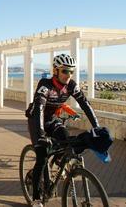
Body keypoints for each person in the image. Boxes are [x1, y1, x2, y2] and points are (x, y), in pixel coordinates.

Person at [25, 54, 106, 207]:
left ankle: (58, 166)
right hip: (37, 120)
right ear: (55, 71)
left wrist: (97, 127)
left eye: (71, 72)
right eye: (65, 71)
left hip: (52, 120)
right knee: (42, 156)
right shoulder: (45, 85)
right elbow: (40, 108)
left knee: (66, 139)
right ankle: (36, 198)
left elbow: (85, 104)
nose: (68, 75)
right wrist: (41, 134)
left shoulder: (71, 85)